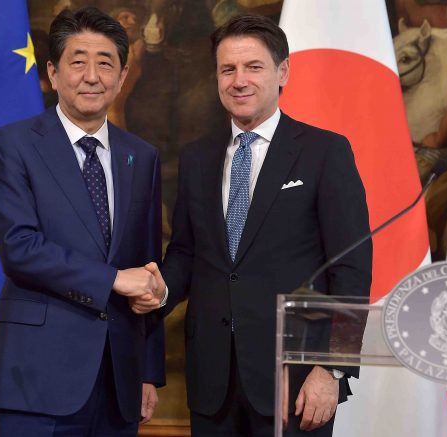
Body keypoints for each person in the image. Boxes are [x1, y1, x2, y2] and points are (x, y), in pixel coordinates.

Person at [154, 13, 372, 436]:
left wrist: (333, 367)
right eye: (228, 69)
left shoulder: (325, 151)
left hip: (297, 381)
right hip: (212, 380)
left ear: (282, 71)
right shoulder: (197, 158)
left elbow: (352, 268)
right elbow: (185, 253)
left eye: (253, 67)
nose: (239, 81)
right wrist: (157, 289)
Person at [0, 6, 165, 436]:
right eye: (78, 61)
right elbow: (20, 248)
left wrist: (147, 371)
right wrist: (113, 280)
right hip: (37, 379)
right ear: (53, 71)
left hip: (119, 382)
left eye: (106, 63)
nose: (92, 76)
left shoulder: (141, 156)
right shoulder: (13, 145)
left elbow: (148, 267)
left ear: (122, 76)